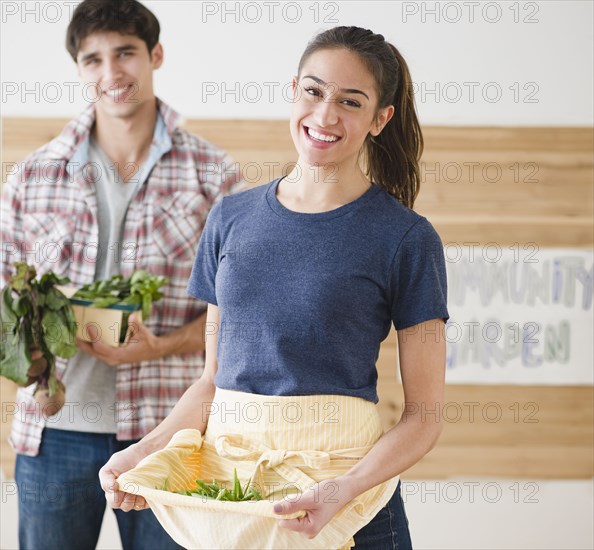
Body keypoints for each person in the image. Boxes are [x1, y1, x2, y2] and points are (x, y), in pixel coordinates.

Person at [99, 26, 449, 549]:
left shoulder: (406, 239)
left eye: (350, 102)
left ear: (381, 119)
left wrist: (342, 490)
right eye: (314, 91)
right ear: (293, 90)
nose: (326, 115)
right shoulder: (231, 218)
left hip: (351, 503)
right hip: (232, 493)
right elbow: (212, 383)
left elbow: (425, 416)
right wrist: (143, 449)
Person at [0, 0, 242, 548]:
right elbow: (4, 299)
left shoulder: (214, 177)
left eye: (126, 53)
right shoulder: (32, 176)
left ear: (155, 54)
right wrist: (29, 351)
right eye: (93, 59)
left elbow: (244, 313)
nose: (111, 73)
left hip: (170, 434)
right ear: (80, 70)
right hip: (54, 432)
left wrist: (158, 348)